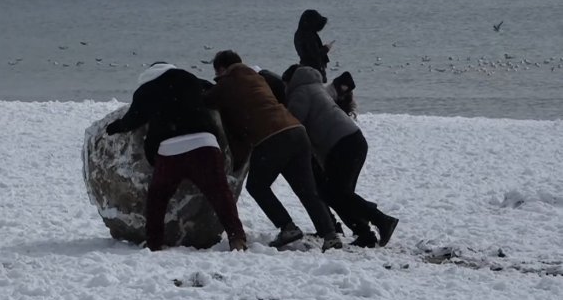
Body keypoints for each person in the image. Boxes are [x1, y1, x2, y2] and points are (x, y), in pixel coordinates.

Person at [203, 50, 342, 252]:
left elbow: (206, 100)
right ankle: (330, 235)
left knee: (257, 186)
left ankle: (287, 227)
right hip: (297, 131)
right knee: (306, 189)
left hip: (272, 137)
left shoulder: (228, 82)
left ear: (222, 69)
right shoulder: (257, 78)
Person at [105, 62, 247, 252]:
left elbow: (133, 119)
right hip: (204, 144)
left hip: (170, 150)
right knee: (220, 194)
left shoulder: (145, 90)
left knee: (157, 199)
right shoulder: (189, 78)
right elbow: (212, 90)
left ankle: (154, 243)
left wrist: (114, 127)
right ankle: (236, 237)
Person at [282, 64, 399, 247]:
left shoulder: (301, 93)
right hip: (352, 141)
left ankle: (382, 220)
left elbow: (293, 125)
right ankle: (365, 233)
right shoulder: (316, 88)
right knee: (338, 195)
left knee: (336, 193)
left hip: (342, 144)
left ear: (289, 81)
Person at [294, 9, 332, 83]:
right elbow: (315, 54)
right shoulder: (309, 35)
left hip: (304, 67)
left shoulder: (298, 33)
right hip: (314, 70)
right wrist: (326, 48)